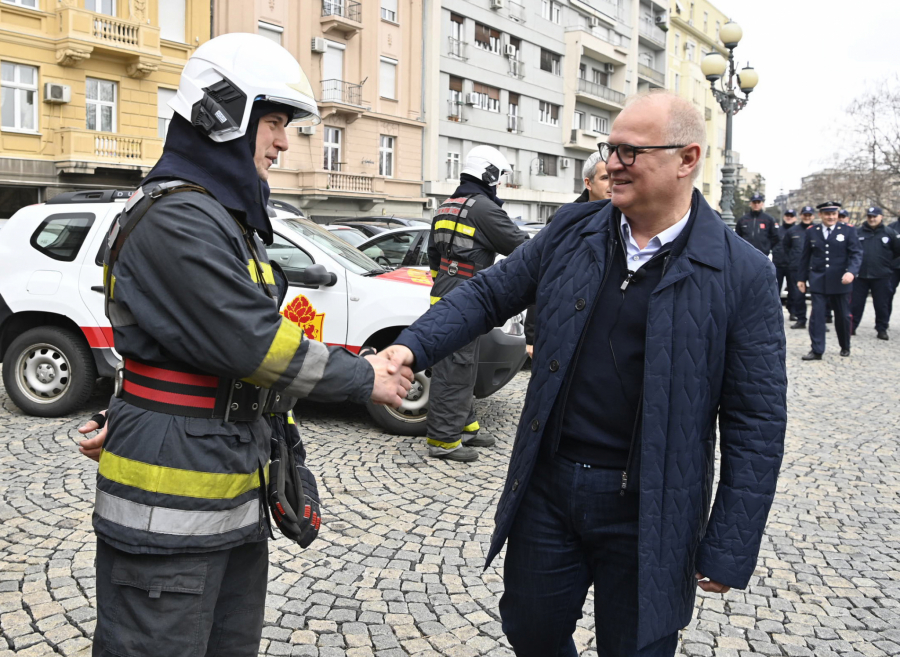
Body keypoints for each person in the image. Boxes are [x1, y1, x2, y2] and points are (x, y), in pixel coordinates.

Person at [383, 92, 787, 656]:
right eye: (609, 149)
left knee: (636, 647)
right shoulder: (574, 229)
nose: (611, 163)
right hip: (550, 488)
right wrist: (410, 348)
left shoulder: (741, 272)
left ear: (687, 158)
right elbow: (486, 295)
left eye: (629, 151)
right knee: (530, 628)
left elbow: (757, 423)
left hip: (652, 508)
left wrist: (730, 545)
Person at [80, 33, 413, 657]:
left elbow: (186, 349)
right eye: (275, 121)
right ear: (222, 112)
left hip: (227, 496)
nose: (285, 142)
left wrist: (129, 402)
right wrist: (363, 376)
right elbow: (253, 343)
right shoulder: (180, 219)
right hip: (168, 513)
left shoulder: (221, 216)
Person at [425, 145, 528, 462]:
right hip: (466, 296)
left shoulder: (446, 206)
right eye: (499, 177)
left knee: (462, 362)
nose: (500, 184)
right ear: (489, 174)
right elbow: (521, 246)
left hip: (445, 291)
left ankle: (466, 426)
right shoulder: (483, 209)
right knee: (454, 367)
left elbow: (433, 257)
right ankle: (443, 440)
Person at [524, 152, 610, 357]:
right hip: (564, 325)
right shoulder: (565, 221)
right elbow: (542, 276)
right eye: (606, 178)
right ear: (588, 183)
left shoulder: (626, 218)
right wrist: (532, 335)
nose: (613, 184)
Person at [798, 201, 863, 360]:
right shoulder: (812, 231)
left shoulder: (848, 231)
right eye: (827, 214)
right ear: (820, 215)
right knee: (817, 316)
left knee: (843, 316)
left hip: (841, 280)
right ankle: (817, 350)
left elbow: (856, 254)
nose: (831, 217)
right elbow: (805, 256)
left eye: (834, 214)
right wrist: (801, 279)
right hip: (818, 280)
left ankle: (845, 345)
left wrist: (851, 272)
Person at [850, 207, 900, 340]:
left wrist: (885, 263)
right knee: (856, 303)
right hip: (860, 275)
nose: (872, 219)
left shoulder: (890, 233)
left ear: (881, 217)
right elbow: (851, 250)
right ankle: (851, 327)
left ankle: (882, 329)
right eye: (870, 216)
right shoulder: (858, 232)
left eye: (875, 216)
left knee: (882, 304)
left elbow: (897, 251)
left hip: (882, 275)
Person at [785, 206, 817, 329]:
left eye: (810, 215)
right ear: (801, 215)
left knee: (817, 296)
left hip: (815, 267)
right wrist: (793, 260)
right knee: (798, 295)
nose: (807, 217)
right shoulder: (793, 231)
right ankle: (801, 319)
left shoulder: (817, 230)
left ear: (813, 216)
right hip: (797, 267)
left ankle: (818, 320)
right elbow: (786, 247)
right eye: (805, 215)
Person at [772, 209, 797, 314]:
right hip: (778, 263)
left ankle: (793, 312)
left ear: (795, 218)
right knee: (775, 289)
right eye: (787, 215)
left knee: (793, 290)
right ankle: (775, 311)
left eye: (791, 216)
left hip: (792, 265)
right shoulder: (777, 230)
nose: (789, 217)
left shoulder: (797, 230)